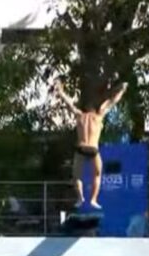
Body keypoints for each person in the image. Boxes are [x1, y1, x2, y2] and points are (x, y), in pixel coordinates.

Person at [54, 81, 128, 209]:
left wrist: (60, 91)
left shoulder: (79, 115)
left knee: (77, 176)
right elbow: (112, 101)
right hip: (94, 149)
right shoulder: (99, 116)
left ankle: (80, 198)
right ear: (95, 109)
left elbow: (68, 103)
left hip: (81, 148)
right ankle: (93, 200)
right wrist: (122, 90)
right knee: (97, 175)